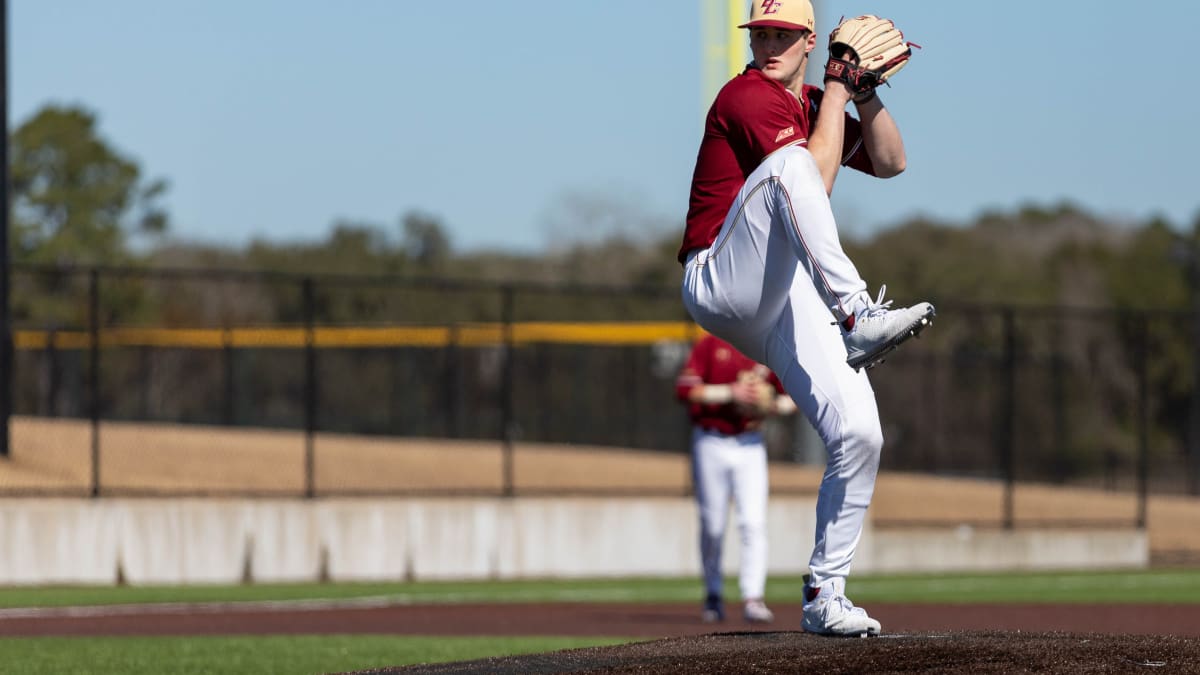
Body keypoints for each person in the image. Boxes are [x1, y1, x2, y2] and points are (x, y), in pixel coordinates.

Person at [677, 1, 935, 636]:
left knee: (860, 434)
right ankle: (856, 314)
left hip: (781, 296)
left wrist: (863, 95)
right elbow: (811, 177)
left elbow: (893, 161)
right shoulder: (745, 96)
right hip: (718, 277)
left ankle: (825, 593)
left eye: (783, 35)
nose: (769, 44)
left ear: (809, 40)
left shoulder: (814, 101)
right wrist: (839, 90)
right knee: (793, 165)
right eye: (761, 32)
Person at [675, 333, 796, 624]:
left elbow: (793, 397)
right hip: (711, 440)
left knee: (753, 522)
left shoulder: (763, 344)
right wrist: (731, 392)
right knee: (713, 525)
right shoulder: (710, 344)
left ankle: (753, 597)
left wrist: (769, 405)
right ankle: (713, 594)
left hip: (750, 442)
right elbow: (685, 390)